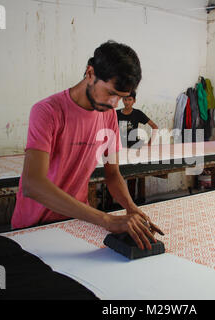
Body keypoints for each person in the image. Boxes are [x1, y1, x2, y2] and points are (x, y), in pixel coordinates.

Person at [11, 40, 163, 250]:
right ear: (90, 73)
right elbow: (32, 184)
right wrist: (107, 220)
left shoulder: (108, 115)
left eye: (120, 98)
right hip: (34, 227)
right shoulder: (48, 111)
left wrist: (130, 208)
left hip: (76, 222)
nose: (114, 104)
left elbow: (113, 174)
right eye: (110, 93)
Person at [116, 91, 158, 202]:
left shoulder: (137, 113)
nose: (127, 102)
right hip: (119, 150)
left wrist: (149, 143)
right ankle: (114, 204)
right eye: (125, 99)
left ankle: (132, 201)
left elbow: (154, 126)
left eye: (130, 99)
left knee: (132, 177)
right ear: (122, 100)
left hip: (134, 150)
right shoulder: (116, 114)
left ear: (134, 101)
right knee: (116, 176)